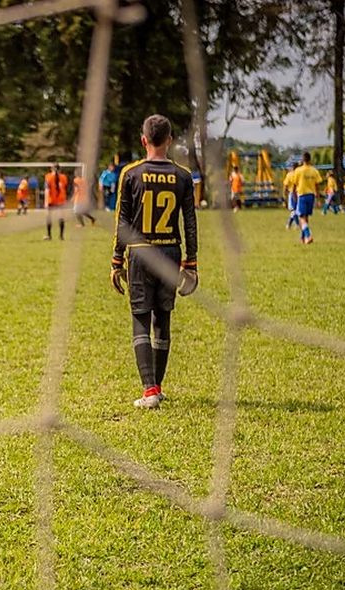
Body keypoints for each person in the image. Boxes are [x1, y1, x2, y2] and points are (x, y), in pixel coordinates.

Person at [109, 114, 198, 409]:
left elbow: (122, 221)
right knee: (163, 320)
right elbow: (190, 222)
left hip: (140, 252)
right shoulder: (183, 175)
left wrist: (116, 259)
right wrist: (191, 262)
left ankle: (149, 390)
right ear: (170, 140)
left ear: (143, 140)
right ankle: (156, 388)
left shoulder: (131, 173)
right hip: (171, 251)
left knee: (140, 318)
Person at [293, 152, 322, 244]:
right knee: (306, 218)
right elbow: (317, 185)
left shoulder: (298, 170)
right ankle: (303, 238)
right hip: (311, 195)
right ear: (310, 159)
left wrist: (294, 194)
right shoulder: (314, 171)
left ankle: (308, 235)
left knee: (301, 217)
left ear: (303, 160)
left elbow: (294, 184)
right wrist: (318, 198)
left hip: (302, 194)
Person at [44, 162, 70, 240]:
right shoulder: (64, 177)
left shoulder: (48, 177)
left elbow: (47, 189)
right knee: (61, 217)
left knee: (49, 217)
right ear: (59, 169)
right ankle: (61, 236)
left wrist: (45, 201)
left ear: (51, 169)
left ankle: (49, 235)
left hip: (51, 200)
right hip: (61, 199)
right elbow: (65, 188)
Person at [282, 162, 299, 229]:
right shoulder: (299, 174)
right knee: (295, 210)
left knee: (293, 210)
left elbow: (285, 185)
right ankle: (290, 224)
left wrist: (284, 194)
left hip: (292, 193)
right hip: (299, 193)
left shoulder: (289, 175)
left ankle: (295, 224)